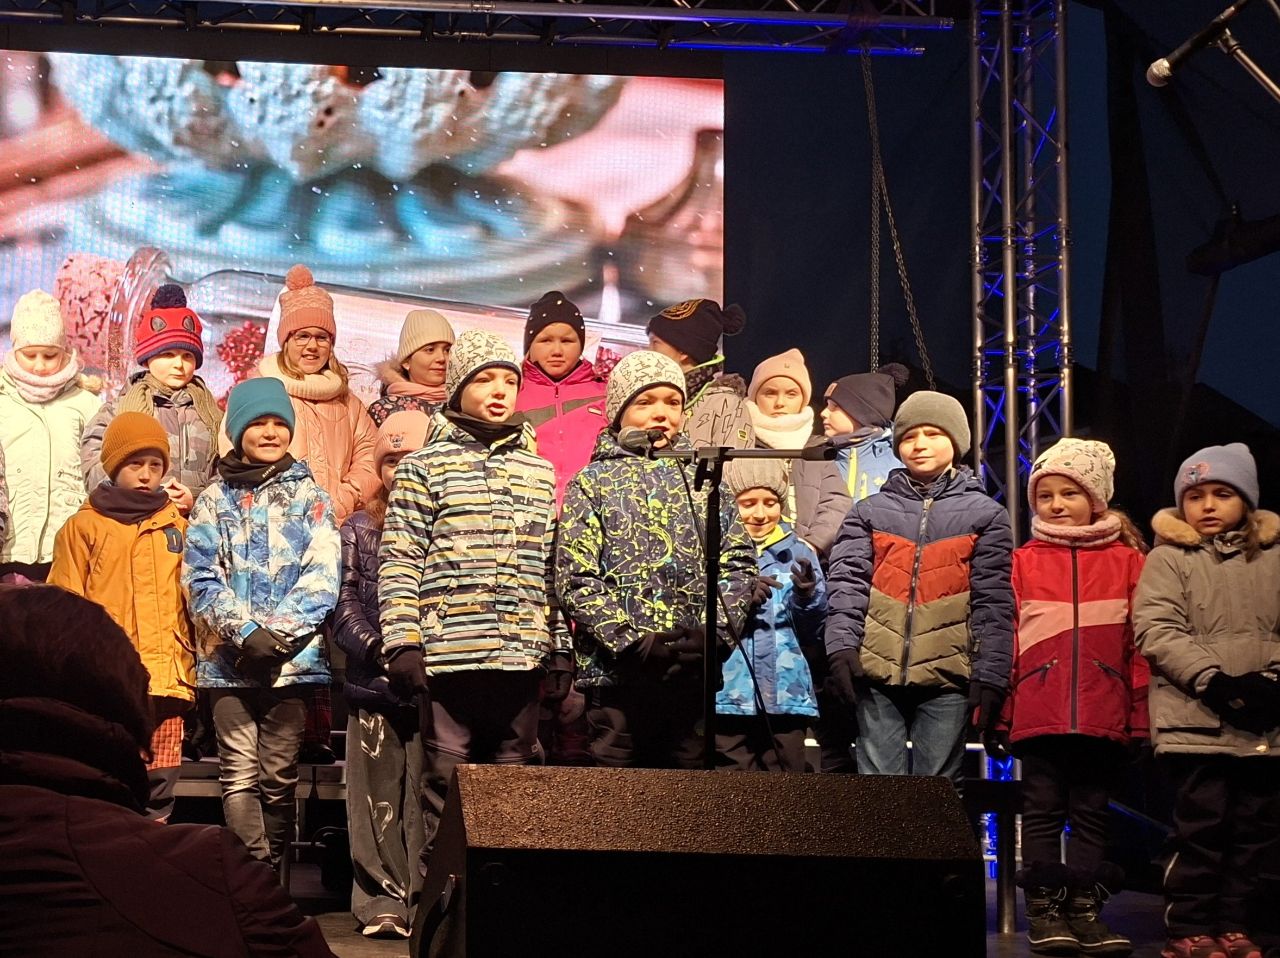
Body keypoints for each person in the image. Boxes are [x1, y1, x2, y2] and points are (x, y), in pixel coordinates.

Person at [0, 585, 336, 957]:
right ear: (132, 704)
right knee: (245, 780)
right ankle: (265, 866)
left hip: (257, 663)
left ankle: (267, 865)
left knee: (272, 780)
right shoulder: (210, 874)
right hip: (222, 665)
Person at [378, 329, 570, 865]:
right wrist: (403, 643)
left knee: (513, 794)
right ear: (460, 385)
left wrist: (560, 648)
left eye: (509, 380)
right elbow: (401, 560)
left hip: (521, 657)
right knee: (445, 787)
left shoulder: (538, 471)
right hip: (451, 657)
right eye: (485, 379)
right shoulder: (423, 468)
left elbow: (549, 566)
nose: (500, 389)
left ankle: (502, 901)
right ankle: (441, 906)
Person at [556, 349, 757, 768]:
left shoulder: (705, 482)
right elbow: (575, 576)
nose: (661, 413)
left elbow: (738, 563)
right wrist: (630, 641)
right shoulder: (592, 482)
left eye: (672, 402)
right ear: (619, 412)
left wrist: (715, 635)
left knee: (686, 797)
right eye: (645, 402)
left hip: (690, 673)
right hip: (617, 675)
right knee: (622, 797)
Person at [992, 438, 1149, 956]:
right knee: (1040, 809)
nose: (1056, 505)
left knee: (1091, 810)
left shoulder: (1130, 562)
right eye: (1045, 496)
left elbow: (1141, 647)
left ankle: (1085, 912)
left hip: (1104, 710)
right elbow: (1006, 642)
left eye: (1070, 493)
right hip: (1040, 710)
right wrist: (1001, 714)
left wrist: (1140, 715)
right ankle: (1045, 912)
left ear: (1096, 499)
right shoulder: (1022, 562)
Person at [184, 377, 340, 871]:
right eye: (258, 423)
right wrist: (245, 632)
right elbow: (200, 576)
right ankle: (251, 877)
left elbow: (323, 576)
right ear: (237, 431)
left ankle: (273, 881)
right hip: (227, 664)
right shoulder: (213, 499)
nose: (270, 432)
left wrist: (279, 635)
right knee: (238, 776)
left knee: (278, 777)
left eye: (278, 422)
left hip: (291, 665)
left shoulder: (312, 498)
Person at [825, 390, 1014, 788]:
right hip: (876, 672)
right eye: (909, 436)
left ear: (957, 441)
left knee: (938, 792)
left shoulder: (986, 515)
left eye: (933, 433)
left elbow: (994, 601)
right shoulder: (869, 511)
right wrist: (841, 648)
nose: (920, 444)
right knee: (879, 790)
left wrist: (991, 673)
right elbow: (846, 584)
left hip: (949, 676)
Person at [1133, 444, 1280, 958]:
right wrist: (1214, 682)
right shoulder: (1168, 558)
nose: (1209, 505)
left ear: (1247, 499)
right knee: (1200, 830)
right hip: (1194, 721)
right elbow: (1156, 628)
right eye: (1195, 496)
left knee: (1253, 833)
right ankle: (1188, 928)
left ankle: (1234, 925)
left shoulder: (1274, 558)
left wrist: (1270, 683)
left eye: (1222, 493)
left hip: (1264, 725)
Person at [254, 264, 380, 763]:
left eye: (321, 337)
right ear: (285, 340)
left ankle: (318, 733)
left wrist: (342, 499)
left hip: (335, 530)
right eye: (302, 336)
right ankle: (279, 732)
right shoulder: (264, 390)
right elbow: (240, 448)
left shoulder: (349, 402)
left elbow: (369, 456)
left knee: (328, 632)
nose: (312, 345)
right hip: (279, 535)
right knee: (287, 629)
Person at [48, 412, 197, 823]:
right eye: (135, 464)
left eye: (155, 465)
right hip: (106, 681)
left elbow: (193, 600)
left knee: (160, 785)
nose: (146, 474)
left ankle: (150, 849)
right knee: (108, 776)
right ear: (114, 466)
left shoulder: (178, 526)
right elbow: (64, 606)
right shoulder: (83, 527)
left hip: (166, 677)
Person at [334, 411, 431, 940]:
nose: (400, 468)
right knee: (374, 797)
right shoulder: (359, 527)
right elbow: (345, 604)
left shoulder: (444, 523)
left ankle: (424, 897)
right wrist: (382, 651)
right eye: (390, 459)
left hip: (432, 681)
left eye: (410, 456)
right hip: (375, 682)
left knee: (423, 795)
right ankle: (380, 899)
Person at [799, 364, 907, 774]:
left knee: (871, 712)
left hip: (877, 600)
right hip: (821, 594)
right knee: (828, 710)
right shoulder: (815, 454)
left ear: (861, 411)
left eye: (834, 406)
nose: (823, 413)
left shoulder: (895, 459)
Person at [716, 458, 825, 772]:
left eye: (770, 502)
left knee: (785, 784)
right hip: (728, 692)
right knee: (731, 785)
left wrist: (806, 596)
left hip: (785, 692)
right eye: (748, 503)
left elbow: (814, 629)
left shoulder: (799, 552)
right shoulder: (713, 552)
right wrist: (738, 597)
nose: (760, 514)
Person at [81, 284, 222, 513]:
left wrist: (198, 498)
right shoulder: (117, 411)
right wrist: (144, 493)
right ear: (147, 358)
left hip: (197, 525)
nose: (179, 364)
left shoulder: (211, 413)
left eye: (187, 356)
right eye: (168, 354)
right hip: (136, 523)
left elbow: (228, 467)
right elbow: (94, 467)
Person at [0, 290, 102, 583]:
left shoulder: (86, 403)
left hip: (67, 548)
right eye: (29, 355)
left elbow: (97, 469)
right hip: (10, 548)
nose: (40, 365)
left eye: (50, 355)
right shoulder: (3, 400)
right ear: (14, 349)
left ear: (64, 350)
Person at [745, 348, 850, 558]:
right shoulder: (740, 446)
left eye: (791, 394)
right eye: (770, 393)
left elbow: (837, 502)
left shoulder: (817, 451)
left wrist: (811, 545)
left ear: (803, 399)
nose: (780, 402)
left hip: (807, 563)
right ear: (755, 396)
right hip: (748, 561)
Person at [515, 290, 608, 509]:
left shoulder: (606, 393)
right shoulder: (511, 391)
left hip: (592, 511)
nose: (557, 350)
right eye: (545, 340)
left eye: (567, 341)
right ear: (530, 345)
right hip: (527, 510)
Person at [646, 298, 754, 449]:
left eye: (655, 343)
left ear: (683, 351)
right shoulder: (647, 397)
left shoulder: (725, 405)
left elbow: (734, 462)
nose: (648, 351)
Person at [367, 308, 455, 426]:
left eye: (447, 350)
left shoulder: (464, 406)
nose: (441, 358)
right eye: (430, 350)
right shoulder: (382, 409)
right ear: (406, 361)